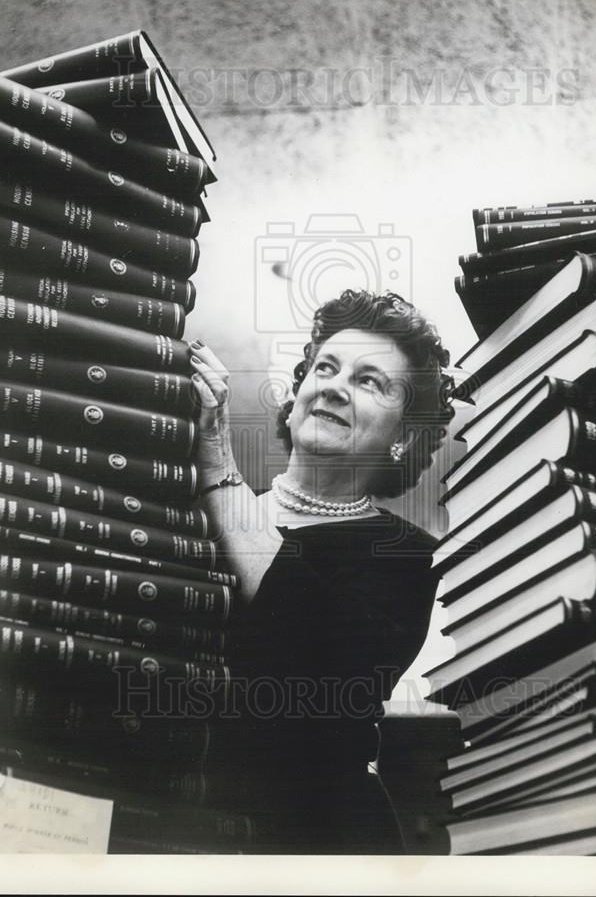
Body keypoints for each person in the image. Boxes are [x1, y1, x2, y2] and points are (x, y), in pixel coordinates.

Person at [189, 289, 454, 853]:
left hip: (311, 840)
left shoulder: (406, 557)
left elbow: (314, 651)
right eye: (324, 367)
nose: (333, 384)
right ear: (297, 393)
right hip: (173, 818)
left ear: (404, 436)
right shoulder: (204, 514)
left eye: (369, 381)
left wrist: (215, 453)